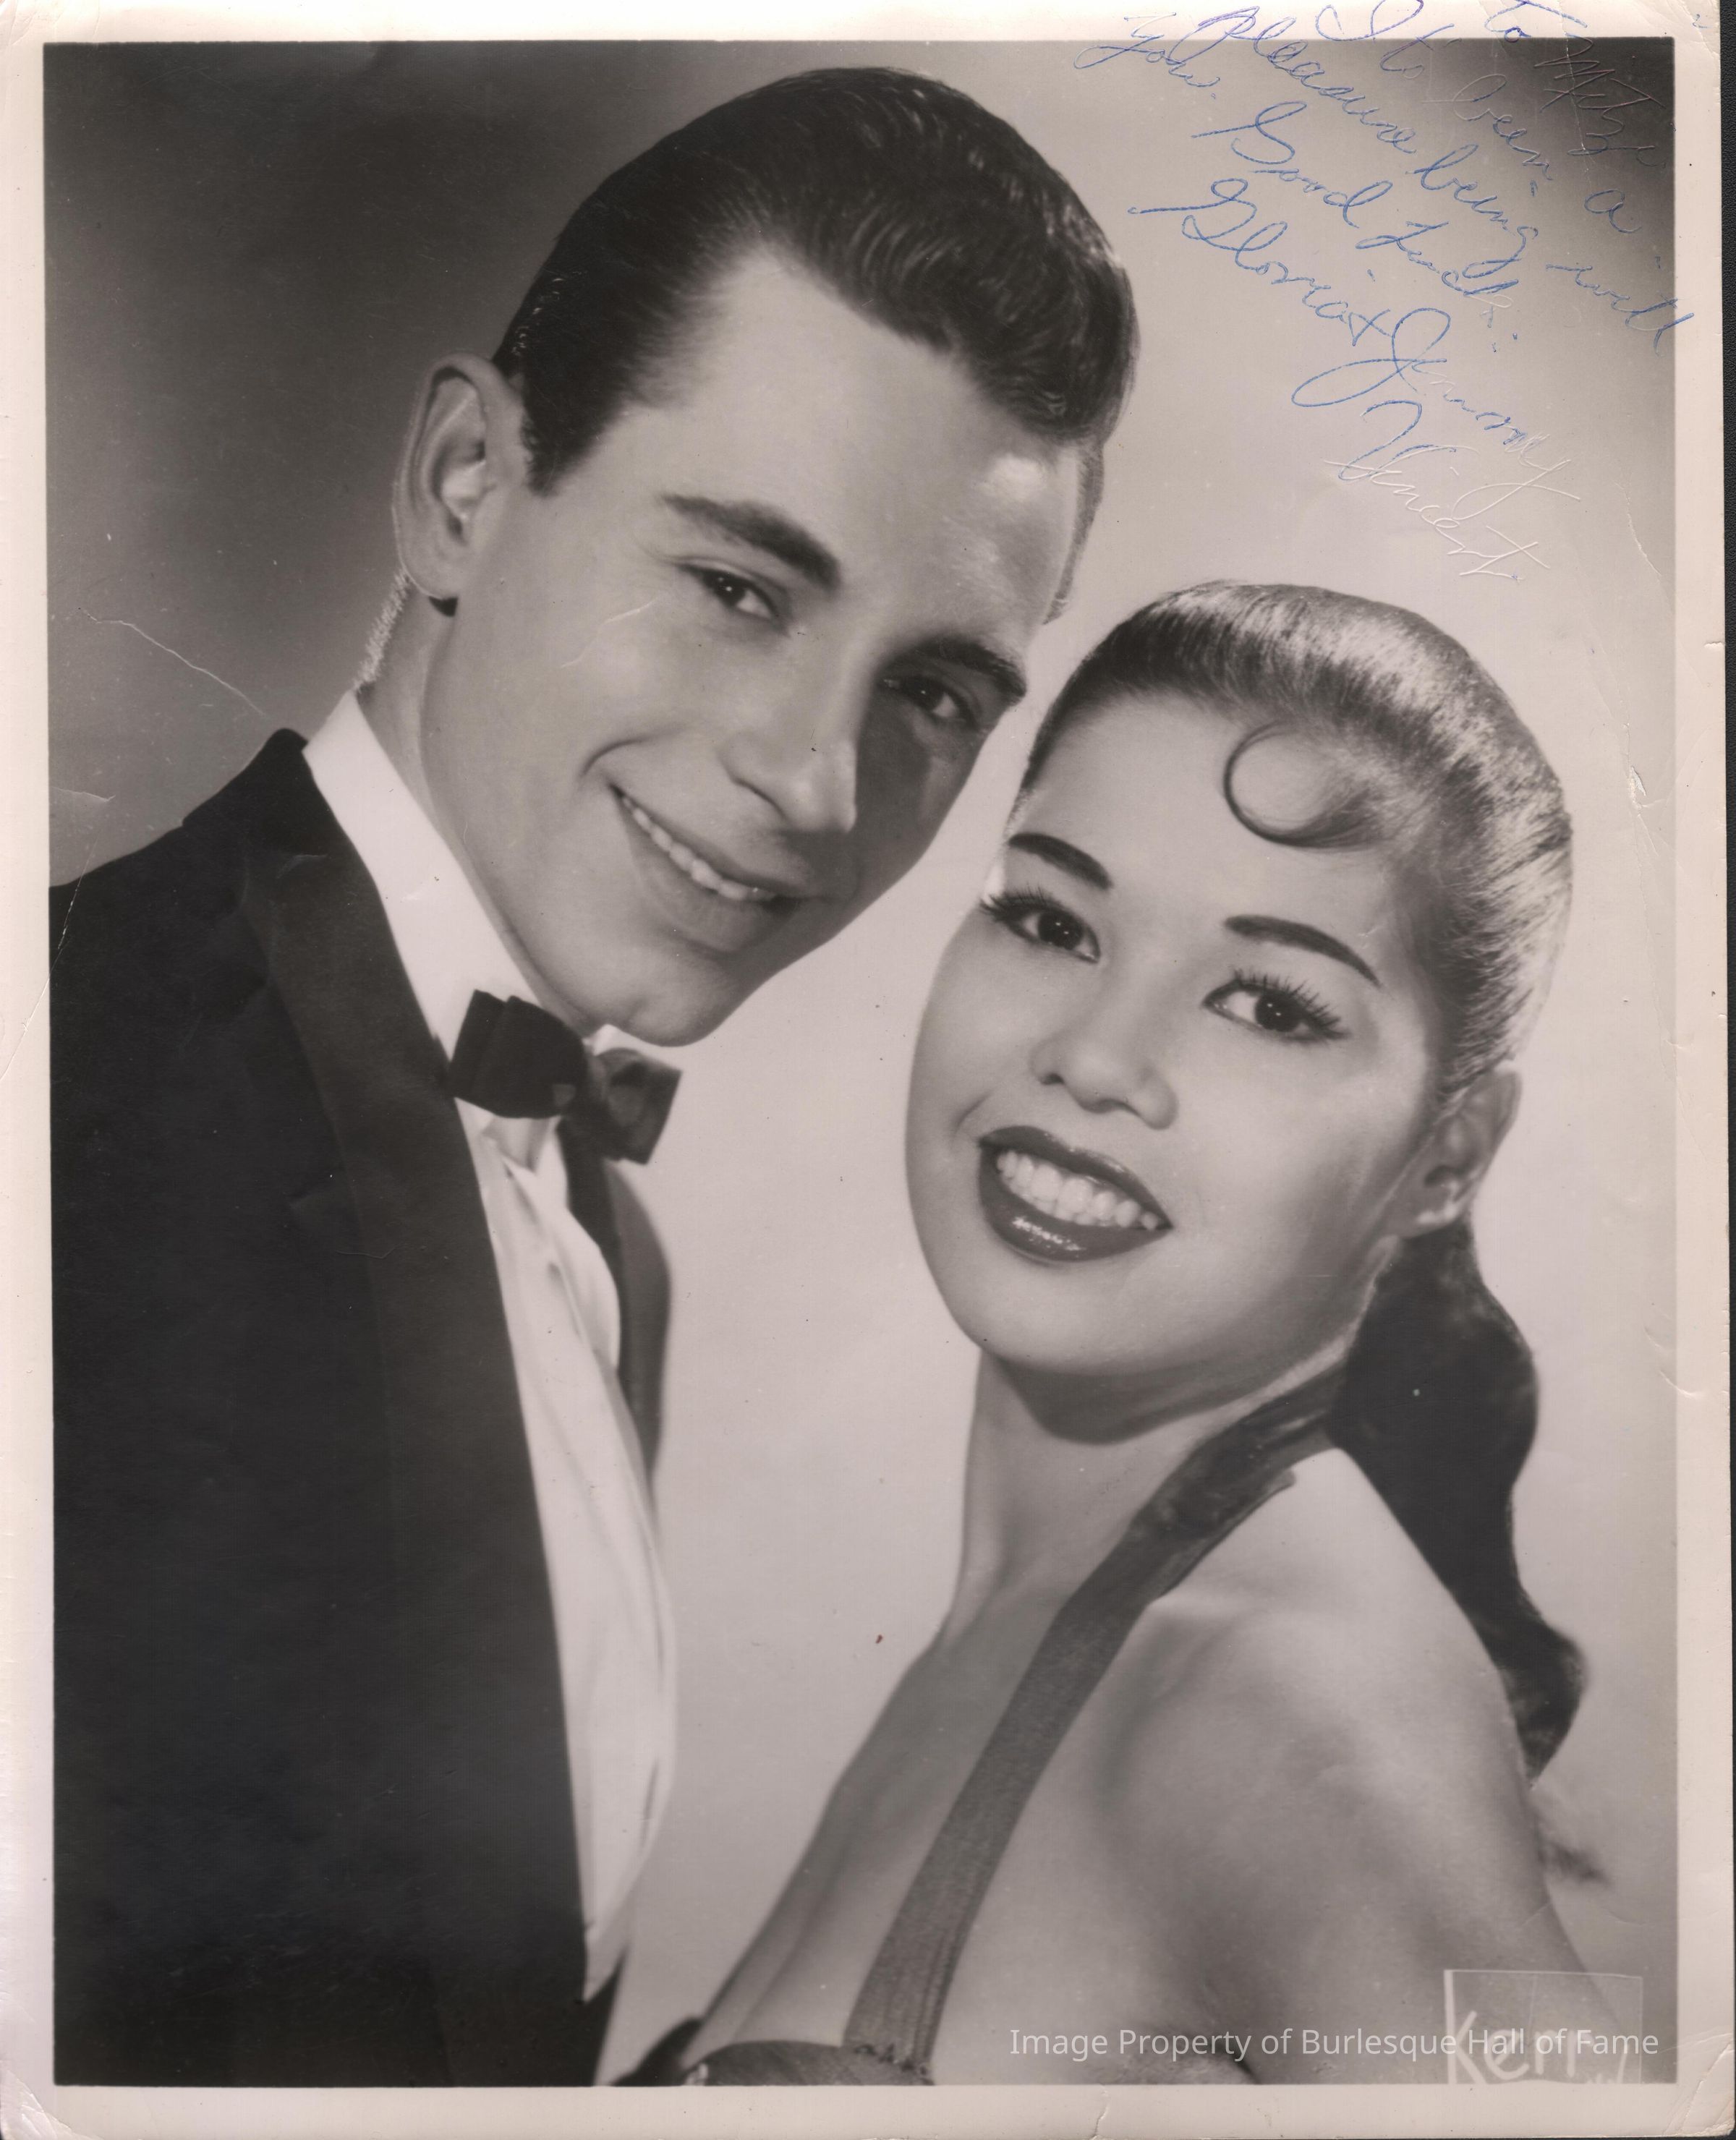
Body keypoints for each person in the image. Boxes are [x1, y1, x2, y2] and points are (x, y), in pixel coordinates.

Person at [50, 67, 1136, 2086]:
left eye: (932, 693)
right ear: (464, 486)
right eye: (740, 588)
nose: (817, 787)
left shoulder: (605, 1239)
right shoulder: (63, 1101)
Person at [640, 581, 1595, 2086]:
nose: (1094, 1056)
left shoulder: (1286, 1700)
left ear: (1451, 1152)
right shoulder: (1043, 1615)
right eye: (1050, 919)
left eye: (1269, 1004)